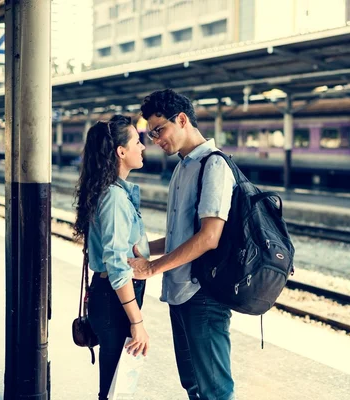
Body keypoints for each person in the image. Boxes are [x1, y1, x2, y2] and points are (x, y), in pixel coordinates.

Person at [128, 89, 236, 400]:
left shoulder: (213, 166)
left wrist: (152, 267)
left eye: (159, 130)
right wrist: (145, 249)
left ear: (182, 119)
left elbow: (209, 236)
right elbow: (180, 236)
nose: (155, 139)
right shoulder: (183, 166)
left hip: (203, 293)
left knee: (215, 390)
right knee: (194, 385)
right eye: (149, 133)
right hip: (181, 292)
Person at [73, 115, 151, 400]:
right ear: (121, 151)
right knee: (115, 387)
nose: (142, 147)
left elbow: (129, 247)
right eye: (137, 142)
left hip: (108, 297)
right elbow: (118, 266)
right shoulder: (116, 199)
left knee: (114, 383)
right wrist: (137, 322)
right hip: (115, 299)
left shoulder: (110, 192)